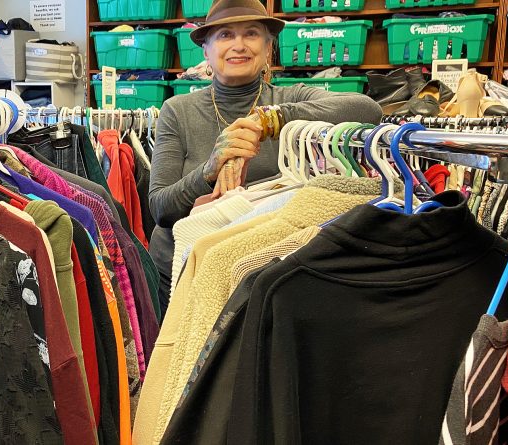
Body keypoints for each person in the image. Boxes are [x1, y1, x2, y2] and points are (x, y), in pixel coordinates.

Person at [148, 0, 383, 312]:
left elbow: (367, 109)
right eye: (225, 35)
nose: (239, 45)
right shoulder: (178, 111)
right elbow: (160, 208)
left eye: (252, 34)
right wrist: (210, 169)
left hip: (256, 275)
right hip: (178, 272)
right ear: (206, 50)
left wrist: (270, 120)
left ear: (269, 46)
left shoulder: (290, 98)